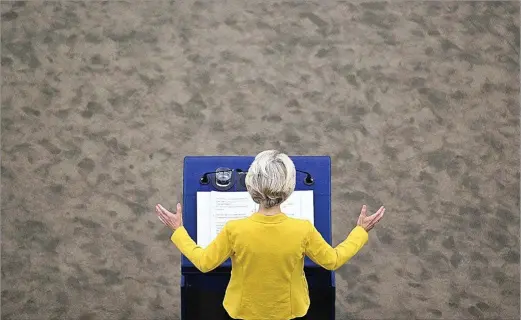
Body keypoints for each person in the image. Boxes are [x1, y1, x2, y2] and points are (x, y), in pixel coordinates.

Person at [155, 150, 385, 320]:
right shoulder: (302, 229)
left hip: (243, 310)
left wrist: (178, 231)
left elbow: (204, 263)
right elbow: (332, 260)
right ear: (288, 189)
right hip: (290, 310)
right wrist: (360, 231)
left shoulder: (235, 229)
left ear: (252, 185)